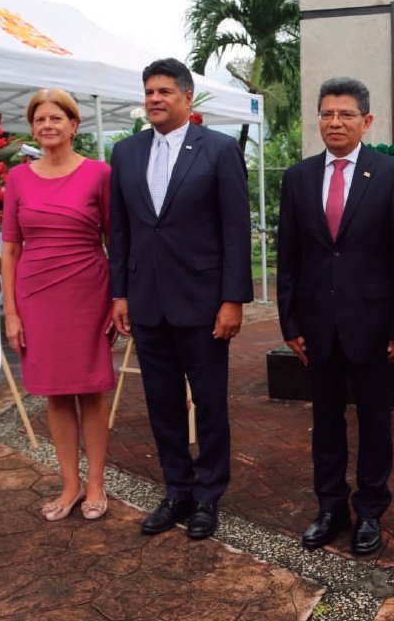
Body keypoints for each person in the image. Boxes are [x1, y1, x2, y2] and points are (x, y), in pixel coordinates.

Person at [109, 58, 253, 540]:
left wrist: (233, 299)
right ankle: (176, 490)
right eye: (149, 91)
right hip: (147, 301)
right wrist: (120, 294)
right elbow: (122, 230)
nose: (155, 98)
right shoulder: (125, 152)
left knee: (209, 403)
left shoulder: (218, 149)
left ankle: (209, 496)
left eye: (165, 91)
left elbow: (236, 229)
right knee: (160, 403)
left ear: (187, 98)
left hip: (203, 301)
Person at [277, 77, 394, 556]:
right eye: (326, 114)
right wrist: (289, 323)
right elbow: (289, 258)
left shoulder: (393, 175)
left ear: (367, 121)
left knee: (375, 421)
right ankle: (331, 508)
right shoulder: (298, 177)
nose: (334, 122)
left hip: (374, 326)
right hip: (316, 325)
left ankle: (371, 511)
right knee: (326, 421)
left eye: (345, 114)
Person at [1, 88, 115, 522]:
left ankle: (97, 483)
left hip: (89, 291)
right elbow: (9, 250)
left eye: (56, 118)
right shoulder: (17, 178)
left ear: (74, 125)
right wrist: (11, 312)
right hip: (36, 296)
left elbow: (115, 242)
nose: (47, 126)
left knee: (90, 387)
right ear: (32, 128)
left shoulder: (99, 174)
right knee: (54, 391)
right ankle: (70, 484)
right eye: (39, 120)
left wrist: (117, 299)